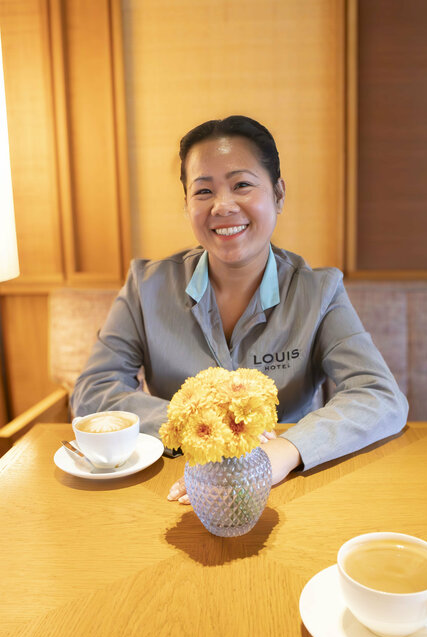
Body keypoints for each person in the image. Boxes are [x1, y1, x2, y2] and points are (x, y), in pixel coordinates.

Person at [71, 115, 408, 504]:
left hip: (288, 489)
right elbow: (93, 391)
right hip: (175, 489)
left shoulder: (318, 291)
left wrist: (283, 451)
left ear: (279, 194)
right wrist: (200, 428)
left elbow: (379, 395)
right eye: (203, 191)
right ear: (186, 203)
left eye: (242, 184)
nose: (223, 205)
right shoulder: (147, 287)